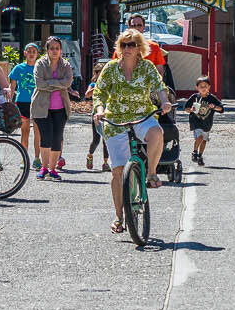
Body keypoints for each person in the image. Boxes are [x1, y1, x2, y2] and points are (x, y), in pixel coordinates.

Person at [90, 29, 169, 235]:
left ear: (139, 48)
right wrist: (99, 111)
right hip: (115, 119)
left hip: (142, 115)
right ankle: (118, 216)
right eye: (123, 45)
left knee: (156, 133)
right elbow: (99, 92)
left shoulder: (147, 67)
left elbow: (160, 86)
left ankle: (151, 172)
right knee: (117, 171)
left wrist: (165, 101)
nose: (127, 48)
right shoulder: (110, 68)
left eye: (131, 44)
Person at [33, 37, 76, 179]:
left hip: (61, 108)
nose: (54, 51)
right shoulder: (40, 64)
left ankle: (52, 169)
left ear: (61, 50)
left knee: (57, 138)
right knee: (46, 138)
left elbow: (68, 82)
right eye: (51, 48)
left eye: (57, 48)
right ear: (47, 50)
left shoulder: (66, 65)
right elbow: (40, 84)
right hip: (41, 107)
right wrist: (59, 83)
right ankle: (44, 168)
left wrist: (50, 84)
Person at [180, 74, 222, 167]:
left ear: (209, 87)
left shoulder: (211, 98)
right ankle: (194, 152)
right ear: (197, 87)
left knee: (204, 141)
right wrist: (191, 110)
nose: (203, 88)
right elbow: (186, 108)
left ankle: (200, 156)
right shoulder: (195, 97)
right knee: (200, 137)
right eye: (201, 87)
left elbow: (221, 108)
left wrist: (214, 107)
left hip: (207, 123)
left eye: (205, 86)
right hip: (196, 121)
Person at [12, 41, 39, 158]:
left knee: (37, 131)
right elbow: (12, 86)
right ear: (25, 53)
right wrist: (9, 101)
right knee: (25, 130)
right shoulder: (18, 68)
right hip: (22, 102)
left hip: (37, 102)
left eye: (34, 52)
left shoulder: (40, 67)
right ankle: (25, 158)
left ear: (37, 54)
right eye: (29, 51)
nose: (31, 54)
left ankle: (37, 158)